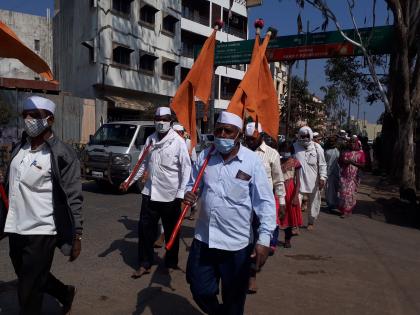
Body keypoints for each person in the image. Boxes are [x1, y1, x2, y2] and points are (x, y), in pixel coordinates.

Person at [184, 111, 276, 315]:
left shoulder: (251, 162)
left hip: (236, 245)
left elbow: (265, 204)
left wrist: (264, 239)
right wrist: (188, 194)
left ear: (239, 135)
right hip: (205, 239)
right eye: (219, 130)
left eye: (228, 131)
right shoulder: (205, 156)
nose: (222, 135)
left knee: (234, 298)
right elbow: (191, 184)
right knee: (198, 287)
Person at [0, 96, 83, 315]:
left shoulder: (62, 154)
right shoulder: (20, 149)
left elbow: (74, 195)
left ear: (50, 119)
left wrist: (77, 235)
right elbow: (11, 183)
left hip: (42, 230)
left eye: (35, 116)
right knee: (28, 274)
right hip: (16, 226)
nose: (28, 119)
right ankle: (64, 292)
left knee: (28, 288)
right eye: (25, 115)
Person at [120, 107, 191, 278]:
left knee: (171, 230)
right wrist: (128, 181)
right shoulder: (150, 140)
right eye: (157, 119)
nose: (161, 122)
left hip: (171, 195)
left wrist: (181, 193)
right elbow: (143, 164)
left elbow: (186, 169)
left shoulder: (178, 142)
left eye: (165, 119)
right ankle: (145, 263)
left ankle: (170, 262)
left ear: (171, 121)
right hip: (150, 192)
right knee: (145, 231)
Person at [244, 122, 286, 293]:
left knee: (259, 241)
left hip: (261, 207)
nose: (249, 142)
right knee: (244, 240)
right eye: (247, 139)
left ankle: (252, 275)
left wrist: (281, 202)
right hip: (243, 206)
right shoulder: (242, 152)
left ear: (261, 136)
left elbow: (278, 179)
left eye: (252, 139)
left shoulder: (272, 154)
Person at [293, 126, 327, 230]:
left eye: (306, 136)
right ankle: (295, 223)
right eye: (302, 136)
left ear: (310, 136)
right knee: (296, 203)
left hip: (314, 182)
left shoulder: (317, 148)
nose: (304, 138)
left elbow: (322, 164)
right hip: (298, 181)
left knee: (314, 203)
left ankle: (311, 222)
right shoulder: (294, 146)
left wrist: (322, 178)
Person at [278, 142, 302, 247]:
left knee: (290, 216)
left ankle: (287, 239)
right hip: (278, 189)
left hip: (290, 190)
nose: (285, 152)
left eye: (287, 150)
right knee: (277, 214)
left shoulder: (295, 163)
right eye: (283, 150)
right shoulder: (276, 161)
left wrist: (296, 196)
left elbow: (298, 181)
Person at [338, 138, 366, 218]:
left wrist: (352, 162)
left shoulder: (361, 153)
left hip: (354, 177)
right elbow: (339, 162)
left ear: (357, 143)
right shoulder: (345, 152)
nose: (351, 144)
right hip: (344, 176)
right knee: (343, 193)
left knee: (349, 194)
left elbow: (363, 165)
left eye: (353, 142)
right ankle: (344, 209)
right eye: (350, 142)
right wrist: (343, 162)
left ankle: (347, 211)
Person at [324, 136, 341, 211]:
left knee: (336, 188)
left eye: (333, 141)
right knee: (329, 188)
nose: (331, 143)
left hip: (337, 171)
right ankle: (330, 203)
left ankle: (336, 202)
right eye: (330, 141)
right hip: (328, 171)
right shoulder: (326, 150)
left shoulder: (338, 149)